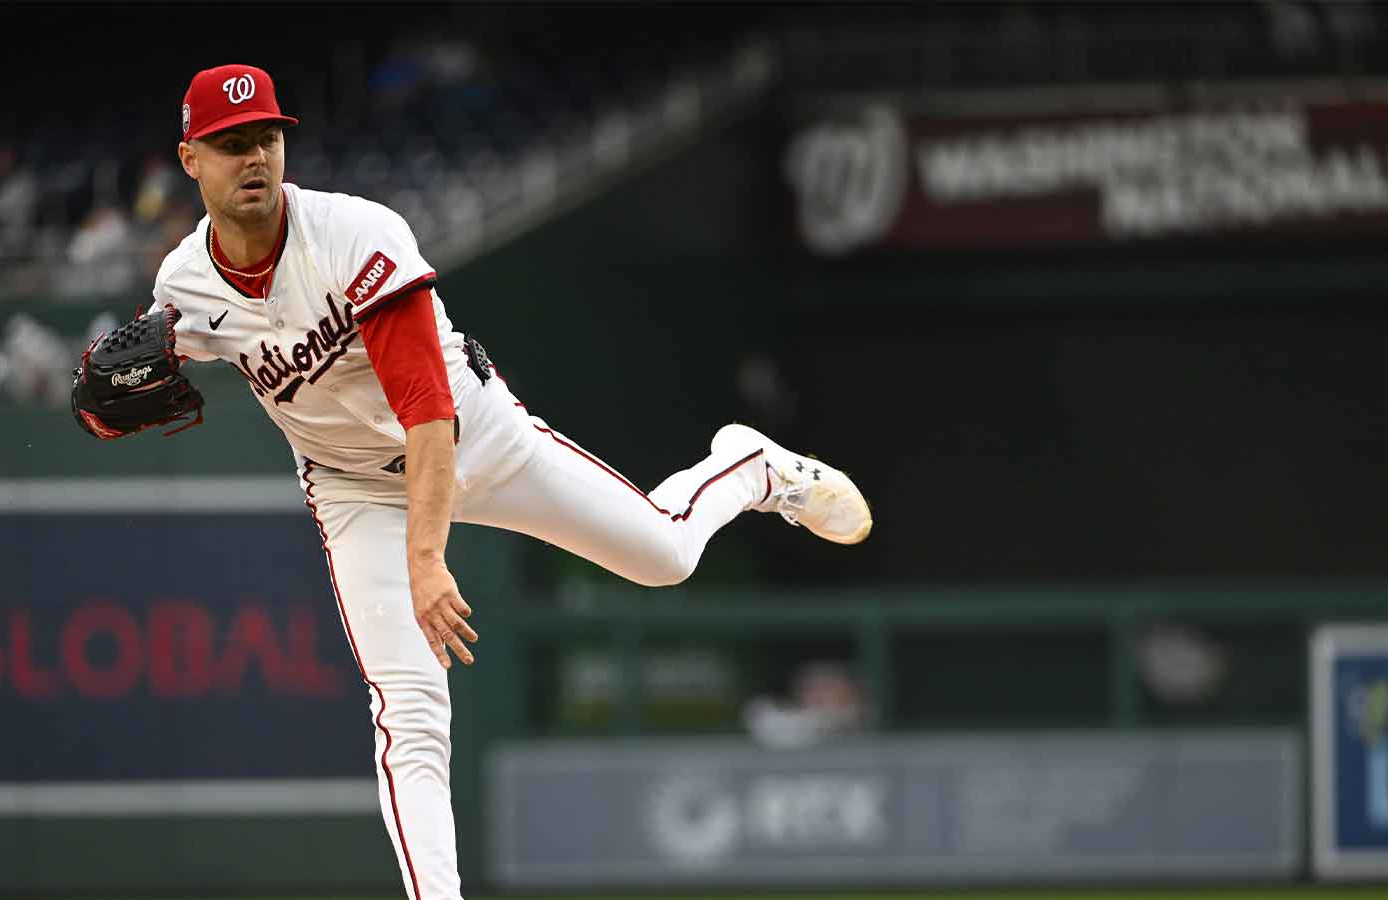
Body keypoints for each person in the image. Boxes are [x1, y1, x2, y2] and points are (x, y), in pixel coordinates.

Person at [100, 64, 872, 900]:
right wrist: (99, 405)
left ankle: (749, 468)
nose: (254, 157)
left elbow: (426, 411)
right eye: (230, 143)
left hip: (474, 435)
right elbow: (118, 394)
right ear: (190, 160)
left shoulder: (358, 236)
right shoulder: (183, 284)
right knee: (409, 710)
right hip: (354, 486)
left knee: (665, 556)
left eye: (267, 138)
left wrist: (426, 557)